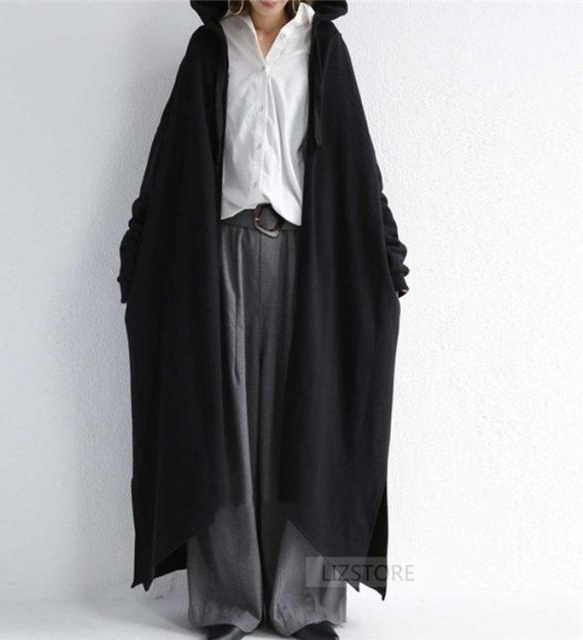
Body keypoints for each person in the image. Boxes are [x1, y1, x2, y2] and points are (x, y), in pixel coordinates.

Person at [117, 2, 410, 640]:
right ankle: (228, 603)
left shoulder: (324, 48)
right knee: (220, 421)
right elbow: (169, 158)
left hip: (308, 257)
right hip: (218, 249)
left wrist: (386, 251)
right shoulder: (209, 48)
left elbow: (358, 163)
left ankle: (305, 605)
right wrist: (138, 248)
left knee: (309, 419)